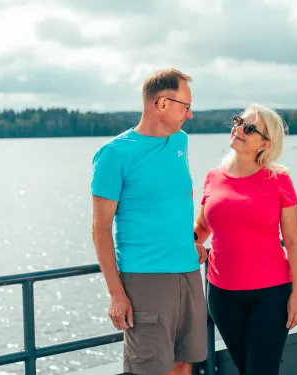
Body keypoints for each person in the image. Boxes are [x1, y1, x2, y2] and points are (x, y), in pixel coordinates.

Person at [91, 68, 208, 375]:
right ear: (162, 104)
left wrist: (190, 241)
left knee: (185, 363)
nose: (190, 114)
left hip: (188, 272)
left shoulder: (180, 141)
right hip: (146, 279)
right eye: (185, 106)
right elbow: (100, 229)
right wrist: (116, 294)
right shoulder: (113, 155)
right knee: (154, 370)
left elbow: (176, 198)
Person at [193, 104, 297, 375]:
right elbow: (202, 227)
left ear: (265, 143)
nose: (239, 129)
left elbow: (292, 240)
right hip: (222, 295)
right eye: (238, 121)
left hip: (270, 295)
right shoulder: (213, 177)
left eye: (250, 128)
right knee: (247, 369)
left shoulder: (279, 180)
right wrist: (189, 241)